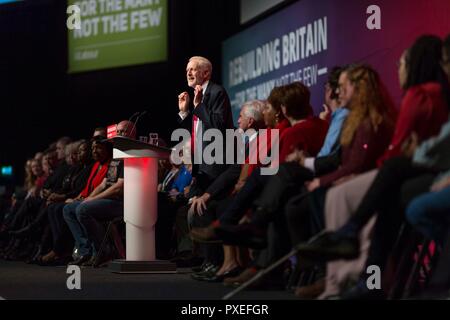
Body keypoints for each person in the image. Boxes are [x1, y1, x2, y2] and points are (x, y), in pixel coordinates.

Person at [177, 56, 234, 194]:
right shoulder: (198, 96)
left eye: (193, 69)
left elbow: (218, 127)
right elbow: (192, 134)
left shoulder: (217, 92)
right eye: (187, 70)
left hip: (215, 167)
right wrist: (184, 112)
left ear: (206, 73)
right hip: (200, 169)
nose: (188, 73)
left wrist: (199, 106)